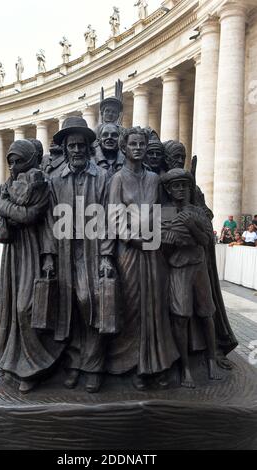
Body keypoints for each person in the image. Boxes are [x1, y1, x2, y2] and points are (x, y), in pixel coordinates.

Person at [41, 116, 115, 393]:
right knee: (68, 307)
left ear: (88, 147)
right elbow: (49, 222)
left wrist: (107, 256)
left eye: (81, 145)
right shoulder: (54, 180)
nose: (76, 150)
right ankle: (73, 364)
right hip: (64, 251)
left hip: (94, 251)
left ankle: (93, 367)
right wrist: (48, 256)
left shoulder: (103, 177)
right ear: (66, 147)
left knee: (92, 304)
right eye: (72, 145)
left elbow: (109, 218)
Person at [0, 140, 66, 393]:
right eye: (10, 161)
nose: (13, 166)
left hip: (32, 251)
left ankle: (35, 365)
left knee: (25, 308)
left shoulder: (42, 184)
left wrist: (2, 206)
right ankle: (14, 364)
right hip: (13, 254)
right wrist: (3, 213)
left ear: (31, 159)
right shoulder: (5, 186)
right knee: (11, 308)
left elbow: (32, 217)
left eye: (18, 160)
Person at [106, 127, 179, 390]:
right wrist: (134, 239)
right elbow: (114, 217)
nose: (137, 148)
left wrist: (158, 237)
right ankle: (133, 365)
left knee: (155, 307)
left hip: (154, 252)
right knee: (133, 307)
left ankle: (156, 364)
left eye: (141, 144)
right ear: (124, 148)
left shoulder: (154, 180)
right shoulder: (117, 179)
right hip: (130, 252)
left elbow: (161, 212)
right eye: (133, 144)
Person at [161, 169, 222, 388]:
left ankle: (211, 360)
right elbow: (161, 243)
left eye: (184, 186)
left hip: (198, 267)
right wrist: (172, 240)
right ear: (168, 189)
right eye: (175, 186)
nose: (180, 190)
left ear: (189, 188)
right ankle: (184, 367)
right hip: (178, 268)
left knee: (207, 314)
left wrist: (191, 225)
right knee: (181, 316)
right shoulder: (163, 212)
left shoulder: (197, 211)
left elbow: (205, 240)